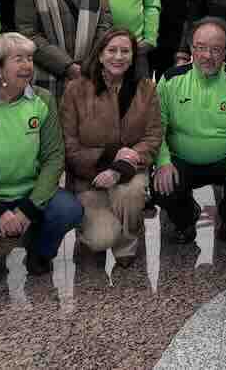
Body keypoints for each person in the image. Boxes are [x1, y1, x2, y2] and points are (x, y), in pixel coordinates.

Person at [0, 33, 84, 284]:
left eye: (29, 59)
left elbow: (54, 159)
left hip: (30, 191)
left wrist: (29, 207)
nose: (27, 66)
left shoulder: (43, 100)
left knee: (69, 210)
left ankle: (39, 252)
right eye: (18, 59)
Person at [61, 28, 162, 267]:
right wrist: (108, 156)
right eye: (112, 50)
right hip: (89, 179)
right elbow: (69, 145)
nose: (118, 57)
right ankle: (95, 228)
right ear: (100, 55)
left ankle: (126, 245)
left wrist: (119, 167)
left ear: (133, 56)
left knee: (131, 191)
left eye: (125, 51)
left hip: (128, 171)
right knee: (101, 238)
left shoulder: (146, 89)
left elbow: (153, 136)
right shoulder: (76, 90)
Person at [153, 18, 226, 244]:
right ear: (191, 49)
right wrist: (163, 161)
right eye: (201, 48)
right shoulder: (170, 80)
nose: (208, 56)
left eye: (216, 49)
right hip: (181, 158)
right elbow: (157, 127)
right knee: (161, 186)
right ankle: (186, 219)